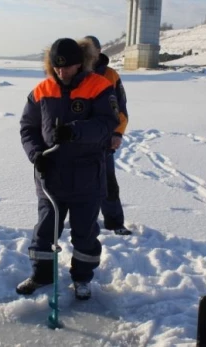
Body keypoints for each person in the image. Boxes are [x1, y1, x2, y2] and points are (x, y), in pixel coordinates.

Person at [17, 37, 119, 300]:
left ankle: (82, 278)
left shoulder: (99, 86)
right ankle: (42, 275)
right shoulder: (41, 90)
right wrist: (36, 154)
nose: (62, 72)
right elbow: (28, 128)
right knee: (45, 231)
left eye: (68, 66)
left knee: (85, 232)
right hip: (50, 177)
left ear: (80, 63)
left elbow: (107, 123)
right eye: (57, 67)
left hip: (87, 176)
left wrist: (75, 132)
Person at [85, 35, 132, 236]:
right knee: (79, 183)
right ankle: (83, 221)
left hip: (104, 139)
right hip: (81, 138)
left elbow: (121, 107)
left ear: (99, 50)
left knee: (107, 182)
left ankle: (114, 222)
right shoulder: (76, 72)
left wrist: (117, 133)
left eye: (90, 49)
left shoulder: (111, 75)